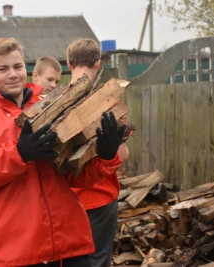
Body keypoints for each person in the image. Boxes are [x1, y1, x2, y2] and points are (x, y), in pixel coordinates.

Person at [0, 37, 123, 267]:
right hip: (13, 254)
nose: (13, 74)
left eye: (18, 66)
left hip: (67, 247)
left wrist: (104, 157)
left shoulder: (54, 107)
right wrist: (19, 153)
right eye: (2, 68)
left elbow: (74, 177)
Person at [67, 38, 130, 267]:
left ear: (68, 63)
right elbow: (121, 155)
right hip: (100, 198)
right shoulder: (107, 104)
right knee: (97, 261)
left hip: (67, 198)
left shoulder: (54, 105)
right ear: (97, 63)